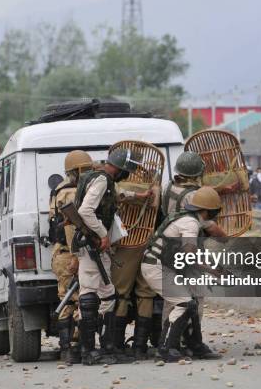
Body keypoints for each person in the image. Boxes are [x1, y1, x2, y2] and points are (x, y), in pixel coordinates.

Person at [141, 186, 223, 363]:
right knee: (184, 303)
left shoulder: (188, 218)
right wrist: (213, 271)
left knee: (191, 299)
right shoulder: (190, 224)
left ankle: (195, 344)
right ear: (208, 211)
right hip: (156, 267)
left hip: (163, 266)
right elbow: (189, 256)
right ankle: (165, 348)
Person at [74, 148, 138, 366]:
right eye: (126, 170)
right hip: (92, 245)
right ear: (118, 168)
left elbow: (113, 197)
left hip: (95, 246)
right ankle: (88, 350)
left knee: (107, 294)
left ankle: (104, 347)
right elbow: (85, 211)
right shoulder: (101, 179)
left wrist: (138, 196)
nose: (125, 174)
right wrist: (102, 234)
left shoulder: (100, 178)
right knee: (91, 295)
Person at [49, 150, 93, 365]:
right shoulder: (69, 193)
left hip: (66, 252)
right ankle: (70, 348)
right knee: (73, 300)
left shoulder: (61, 189)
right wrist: (76, 255)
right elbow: (71, 228)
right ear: (75, 171)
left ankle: (72, 347)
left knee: (73, 299)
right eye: (84, 170)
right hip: (69, 253)